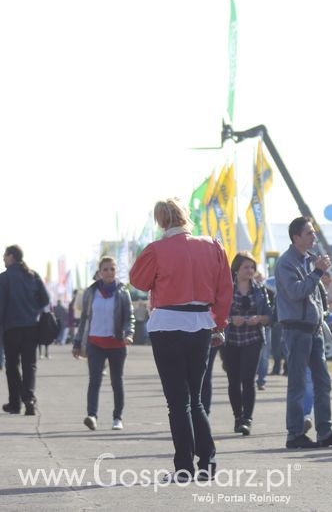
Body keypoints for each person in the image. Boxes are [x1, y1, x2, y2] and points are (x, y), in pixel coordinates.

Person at [130, 198, 233, 483]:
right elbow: (225, 289)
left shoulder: (156, 249)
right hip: (200, 322)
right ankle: (208, 462)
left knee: (177, 402)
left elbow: (137, 280)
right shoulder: (212, 246)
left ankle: (184, 466)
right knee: (196, 399)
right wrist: (219, 324)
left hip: (167, 324)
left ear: (161, 221)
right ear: (185, 216)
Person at [275, 217, 332, 449]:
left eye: (314, 233)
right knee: (298, 384)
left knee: (323, 382)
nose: (314, 237)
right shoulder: (286, 263)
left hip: (313, 330)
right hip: (296, 331)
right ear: (296, 237)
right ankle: (295, 434)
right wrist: (318, 273)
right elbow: (296, 292)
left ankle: (325, 431)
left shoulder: (309, 261)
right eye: (309, 233)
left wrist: (321, 317)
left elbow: (315, 296)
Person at [71, 256, 134, 431]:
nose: (108, 272)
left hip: (117, 344)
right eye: (105, 269)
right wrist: (77, 343)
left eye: (112, 269)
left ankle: (117, 417)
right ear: (99, 273)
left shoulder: (123, 292)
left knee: (116, 381)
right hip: (95, 343)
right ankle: (92, 415)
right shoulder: (90, 293)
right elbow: (84, 319)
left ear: (116, 272)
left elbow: (129, 317)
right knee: (95, 380)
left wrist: (129, 334)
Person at [223, 251, 271, 436]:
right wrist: (230, 320)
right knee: (233, 380)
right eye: (246, 267)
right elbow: (216, 314)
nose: (249, 271)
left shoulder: (260, 290)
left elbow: (269, 317)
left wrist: (258, 318)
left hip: (253, 338)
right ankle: (237, 417)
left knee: (248, 379)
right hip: (231, 340)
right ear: (236, 269)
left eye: (252, 267)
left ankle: (247, 420)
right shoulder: (226, 288)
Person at [0, 245, 50, 416]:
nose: (3, 258)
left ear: (12, 256)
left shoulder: (4, 278)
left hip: (11, 329)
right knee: (30, 365)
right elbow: (45, 299)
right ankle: (28, 399)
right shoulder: (32, 275)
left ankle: (15, 403)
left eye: (4, 255)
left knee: (12, 366)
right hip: (31, 328)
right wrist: (32, 308)